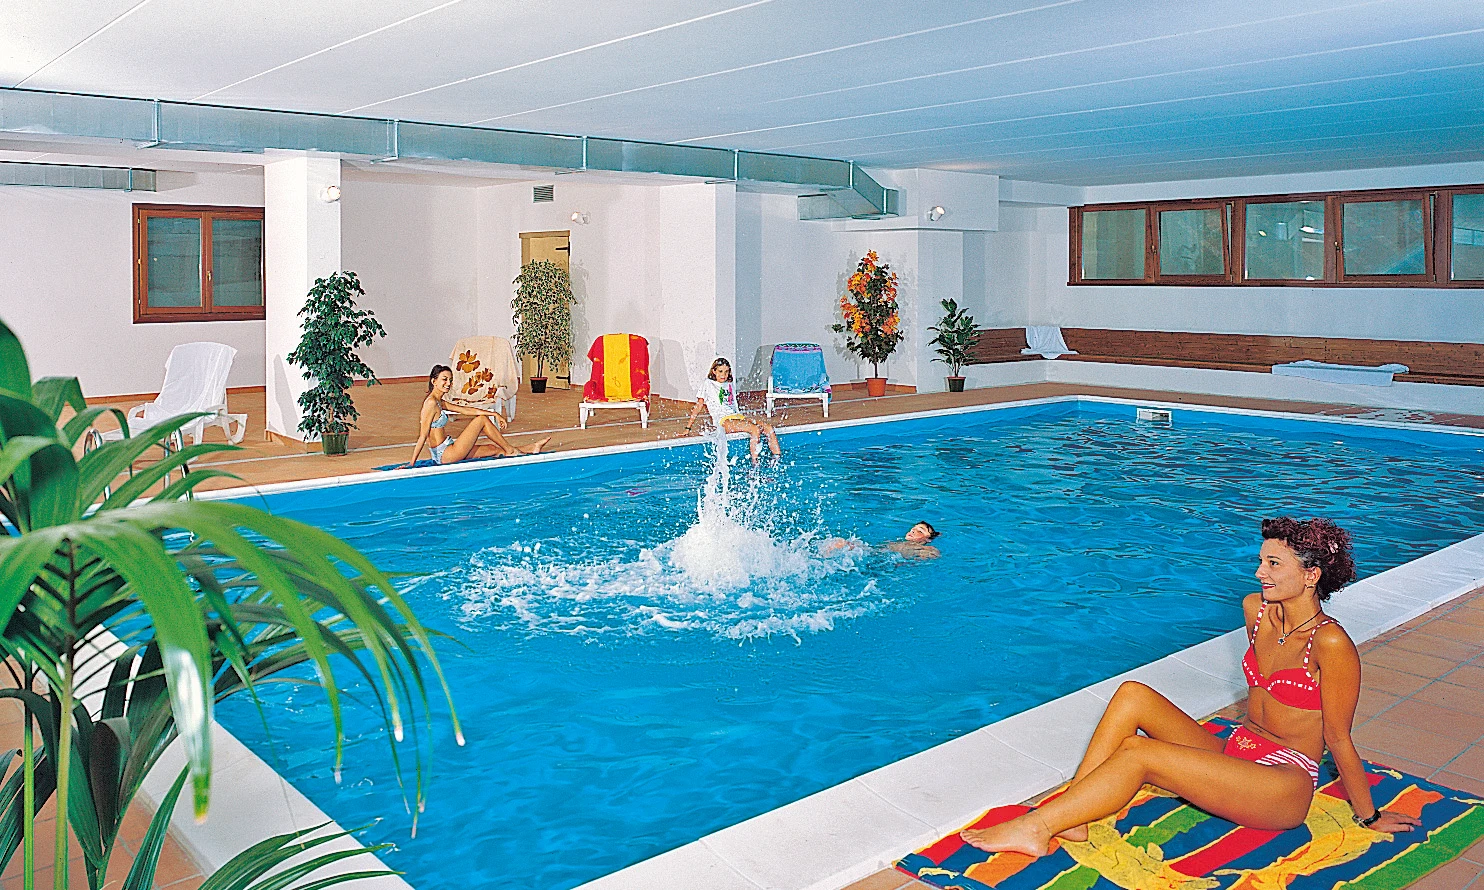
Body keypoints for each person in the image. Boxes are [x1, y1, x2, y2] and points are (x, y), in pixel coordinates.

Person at [961, 517, 1420, 858]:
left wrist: (1370, 816)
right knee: (1133, 694)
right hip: (1238, 752)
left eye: (1273, 563)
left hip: (1281, 786)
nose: (1259, 572)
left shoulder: (1331, 642)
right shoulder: (1255, 610)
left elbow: (1339, 738)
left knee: (1138, 754)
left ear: (1311, 574)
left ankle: (1038, 827)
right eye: (1260, 560)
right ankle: (1076, 816)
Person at [401, 365, 549, 468]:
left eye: (450, 380)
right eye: (444, 379)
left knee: (493, 449)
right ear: (434, 381)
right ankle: (511, 450)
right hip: (445, 455)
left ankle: (531, 447)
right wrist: (411, 464)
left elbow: (465, 410)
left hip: (449, 449)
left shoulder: (439, 401)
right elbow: (422, 436)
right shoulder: (431, 403)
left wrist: (493, 413)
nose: (448, 383)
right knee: (481, 421)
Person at [682, 357, 781, 461]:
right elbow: (698, 406)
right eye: (720, 371)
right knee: (754, 429)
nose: (723, 375)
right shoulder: (708, 384)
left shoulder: (729, 383)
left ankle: (777, 461)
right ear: (714, 371)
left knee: (768, 428)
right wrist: (688, 428)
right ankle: (755, 464)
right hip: (724, 420)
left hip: (737, 416)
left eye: (726, 372)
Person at [820, 521, 941, 560]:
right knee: (841, 543)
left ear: (928, 539)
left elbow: (934, 555)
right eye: (913, 529)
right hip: (876, 555)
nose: (913, 531)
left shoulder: (927, 549)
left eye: (920, 531)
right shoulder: (897, 543)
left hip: (879, 558)